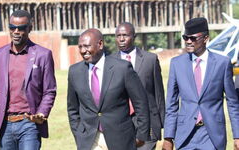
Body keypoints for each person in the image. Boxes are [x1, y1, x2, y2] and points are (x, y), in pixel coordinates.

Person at [0, 10, 57, 150]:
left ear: (29, 29)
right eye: (12, 27)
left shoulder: (43, 55)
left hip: (30, 123)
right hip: (5, 124)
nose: (16, 31)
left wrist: (41, 113)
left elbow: (49, 90)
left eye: (21, 28)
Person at [162, 17, 239, 150]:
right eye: (185, 38)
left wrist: (237, 136)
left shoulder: (222, 63)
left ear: (205, 38)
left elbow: (232, 103)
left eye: (193, 38)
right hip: (185, 136)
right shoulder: (176, 64)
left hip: (212, 136)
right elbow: (171, 104)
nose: (188, 42)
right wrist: (168, 137)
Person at [67, 28, 150, 150]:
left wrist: (141, 135)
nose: (83, 51)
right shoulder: (75, 71)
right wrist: (79, 135)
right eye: (80, 47)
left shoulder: (122, 68)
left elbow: (140, 102)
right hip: (90, 140)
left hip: (120, 139)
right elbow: (72, 109)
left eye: (87, 46)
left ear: (100, 44)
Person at [112, 22, 165, 150]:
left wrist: (165, 128)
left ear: (134, 36)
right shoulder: (110, 62)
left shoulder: (150, 60)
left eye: (125, 35)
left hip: (148, 123)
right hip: (121, 124)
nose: (121, 39)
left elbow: (159, 94)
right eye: (118, 36)